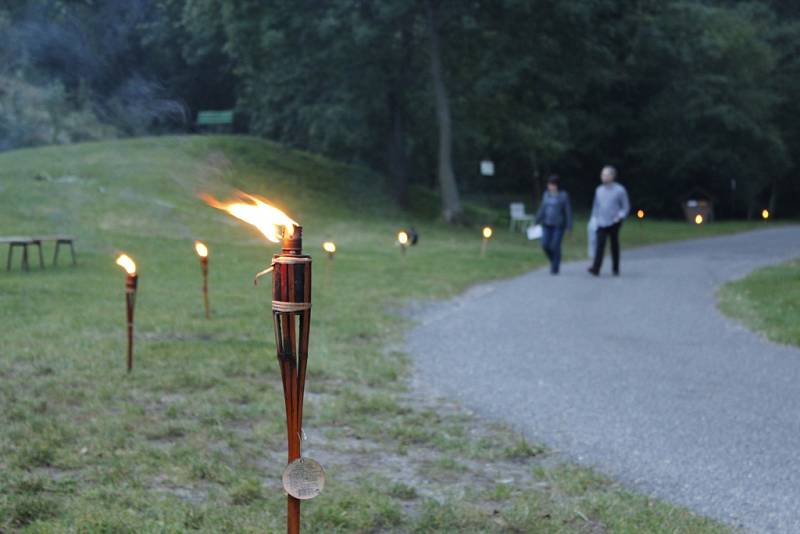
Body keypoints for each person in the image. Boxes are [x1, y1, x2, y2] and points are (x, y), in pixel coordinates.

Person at [588, 165, 630, 276]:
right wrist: (594, 218)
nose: (603, 177)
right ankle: (596, 268)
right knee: (600, 244)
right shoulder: (599, 190)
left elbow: (625, 207)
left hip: (614, 221)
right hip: (601, 221)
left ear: (612, 176)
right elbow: (595, 206)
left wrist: (620, 216)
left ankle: (615, 268)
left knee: (614, 244)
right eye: (602, 174)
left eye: (606, 175)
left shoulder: (620, 190)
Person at [534, 174, 572, 274]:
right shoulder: (546, 195)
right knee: (545, 244)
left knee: (555, 245)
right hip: (547, 224)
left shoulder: (563, 196)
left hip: (558, 225)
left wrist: (569, 226)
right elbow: (542, 208)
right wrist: (537, 220)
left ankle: (555, 267)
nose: (551, 186)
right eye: (549, 184)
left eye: (553, 184)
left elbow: (568, 211)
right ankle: (554, 261)